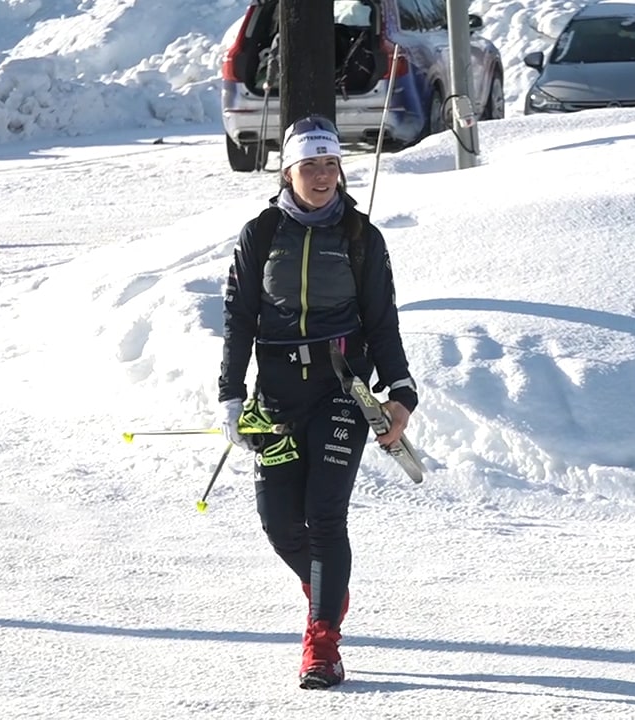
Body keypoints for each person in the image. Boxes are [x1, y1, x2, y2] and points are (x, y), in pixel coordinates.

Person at [216, 114, 418, 690]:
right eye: (311, 165)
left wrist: (401, 391)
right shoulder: (261, 234)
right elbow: (238, 319)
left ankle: (322, 641)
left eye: (331, 164)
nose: (324, 175)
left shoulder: (360, 237)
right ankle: (330, 589)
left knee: (325, 516)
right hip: (276, 397)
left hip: (340, 391)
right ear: (288, 171)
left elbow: (383, 322)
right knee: (279, 523)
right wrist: (231, 394)